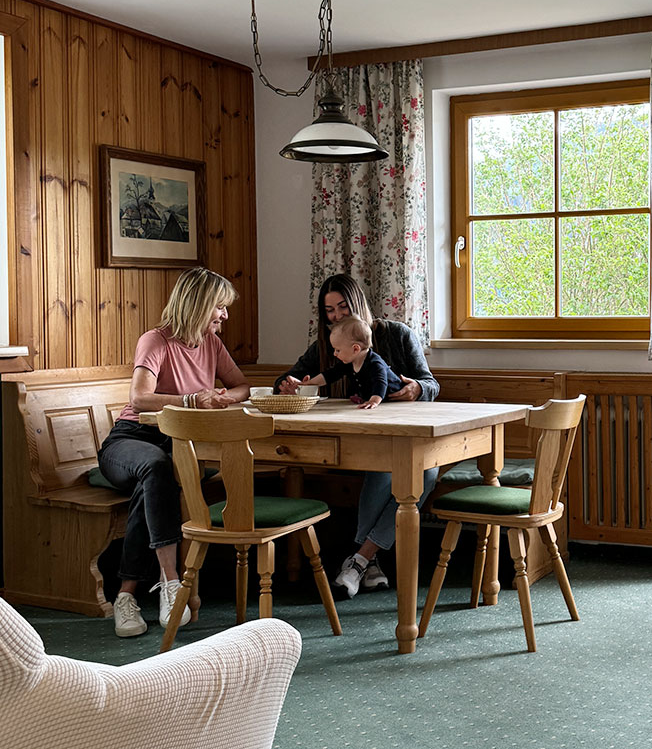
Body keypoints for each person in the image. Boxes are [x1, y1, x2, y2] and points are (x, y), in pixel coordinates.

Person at [97, 267, 250, 637]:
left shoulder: (211, 343)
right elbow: (139, 398)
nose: (225, 316)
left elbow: (242, 385)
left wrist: (222, 397)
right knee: (156, 467)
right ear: (198, 305)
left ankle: (125, 594)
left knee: (156, 477)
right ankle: (171, 581)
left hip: (175, 443)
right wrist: (193, 400)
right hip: (131, 439)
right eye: (220, 307)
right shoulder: (156, 340)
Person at [274, 273, 439, 598]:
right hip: (361, 440)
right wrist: (287, 383)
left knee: (427, 473)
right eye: (329, 311)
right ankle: (368, 559)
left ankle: (361, 557)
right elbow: (288, 376)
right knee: (381, 471)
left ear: (358, 303)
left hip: (410, 436)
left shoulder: (396, 334)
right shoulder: (330, 343)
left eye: (342, 307)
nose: (335, 316)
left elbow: (431, 383)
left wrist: (416, 388)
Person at [303, 315, 403, 409]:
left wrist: (374, 401)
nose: (334, 354)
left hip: (396, 400)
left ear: (355, 349)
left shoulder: (375, 363)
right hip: (381, 402)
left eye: (338, 350)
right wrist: (310, 383)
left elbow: (380, 383)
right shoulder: (350, 363)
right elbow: (330, 375)